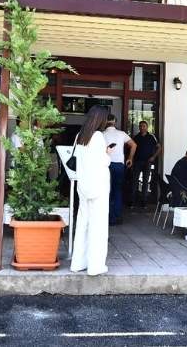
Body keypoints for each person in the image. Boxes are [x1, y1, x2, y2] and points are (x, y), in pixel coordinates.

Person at [70, 106, 113, 276]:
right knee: (98, 226)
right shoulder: (98, 137)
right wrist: (107, 153)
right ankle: (95, 266)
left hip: (83, 186)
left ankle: (78, 263)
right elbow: (103, 162)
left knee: (83, 224)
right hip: (98, 186)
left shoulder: (80, 136)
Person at [103, 114, 136, 225]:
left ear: (105, 122)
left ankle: (109, 217)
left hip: (106, 165)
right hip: (119, 166)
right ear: (115, 122)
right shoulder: (122, 134)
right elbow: (134, 145)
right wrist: (130, 158)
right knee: (117, 190)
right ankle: (118, 217)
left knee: (107, 191)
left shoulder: (102, 134)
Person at [130, 121, 161, 209]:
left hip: (147, 162)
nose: (142, 127)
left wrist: (153, 157)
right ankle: (132, 201)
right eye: (140, 126)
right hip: (137, 162)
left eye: (144, 126)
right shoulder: (136, 137)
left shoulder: (151, 137)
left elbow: (159, 147)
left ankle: (144, 202)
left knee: (145, 182)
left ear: (147, 127)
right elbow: (131, 148)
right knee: (134, 182)